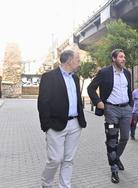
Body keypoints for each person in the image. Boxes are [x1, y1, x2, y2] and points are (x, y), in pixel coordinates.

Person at [37, 49, 87, 188]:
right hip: (55, 125)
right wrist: (46, 126)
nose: (79, 63)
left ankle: (65, 186)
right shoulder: (49, 77)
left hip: (75, 124)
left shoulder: (75, 78)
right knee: (55, 159)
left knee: (68, 159)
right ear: (69, 60)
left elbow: (77, 101)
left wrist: (81, 121)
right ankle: (46, 184)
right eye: (78, 59)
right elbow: (43, 102)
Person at [87, 49, 133, 184]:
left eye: (124, 56)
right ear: (114, 59)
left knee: (124, 137)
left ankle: (115, 157)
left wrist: (131, 104)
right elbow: (91, 88)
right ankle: (113, 169)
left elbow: (128, 90)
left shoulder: (127, 73)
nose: (123, 59)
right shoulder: (105, 72)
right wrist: (98, 102)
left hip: (126, 110)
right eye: (121, 57)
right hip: (111, 110)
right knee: (112, 139)